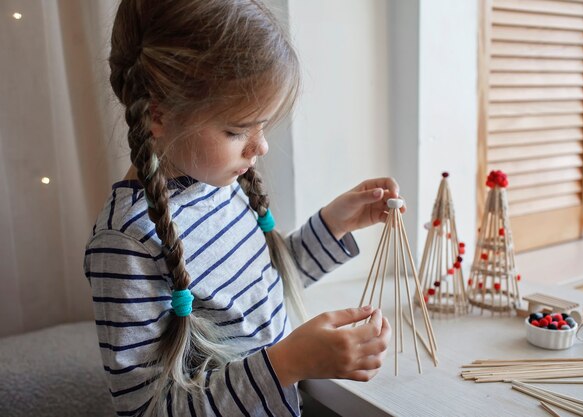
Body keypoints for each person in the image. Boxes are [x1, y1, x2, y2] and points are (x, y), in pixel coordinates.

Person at [84, 0, 398, 415]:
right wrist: (290, 362)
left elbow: (255, 298)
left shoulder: (214, 182)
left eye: (263, 125)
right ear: (158, 116)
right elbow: (147, 409)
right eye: (236, 130)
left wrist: (333, 224)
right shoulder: (125, 245)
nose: (261, 146)